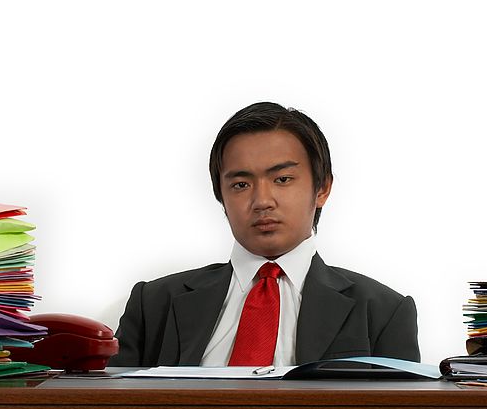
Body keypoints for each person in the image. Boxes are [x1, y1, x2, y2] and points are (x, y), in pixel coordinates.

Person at [110, 102, 420, 367]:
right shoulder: (153, 304)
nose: (262, 201)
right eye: (241, 185)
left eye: (283, 179)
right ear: (221, 195)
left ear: (322, 188)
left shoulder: (383, 312)